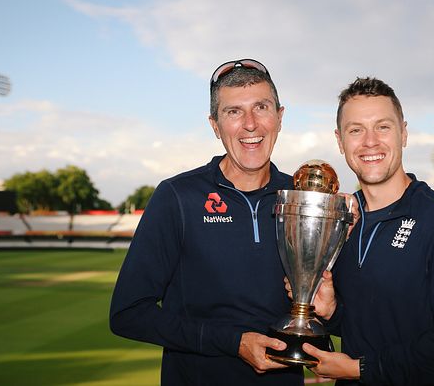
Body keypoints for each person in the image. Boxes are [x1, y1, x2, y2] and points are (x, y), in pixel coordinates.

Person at [110, 59, 303, 385]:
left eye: (261, 107)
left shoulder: (303, 198)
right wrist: (233, 343)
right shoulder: (177, 197)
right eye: (234, 112)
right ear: (214, 125)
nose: (251, 124)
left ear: (280, 117)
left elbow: (338, 312)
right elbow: (128, 314)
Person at [300, 77, 434, 385]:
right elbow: (370, 323)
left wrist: (360, 369)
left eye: (383, 127)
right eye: (356, 130)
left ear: (404, 133)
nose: (370, 141)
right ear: (340, 141)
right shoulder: (341, 221)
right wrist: (332, 310)